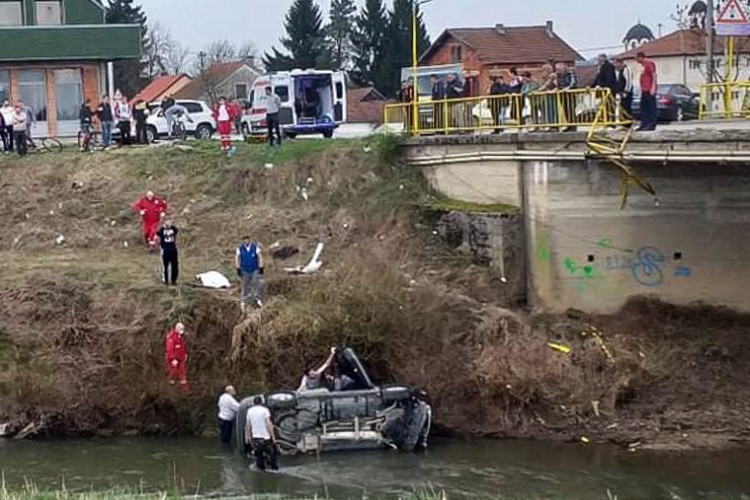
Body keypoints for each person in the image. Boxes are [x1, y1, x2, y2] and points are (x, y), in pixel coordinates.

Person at [245, 396, 278, 472]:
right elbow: (268, 423)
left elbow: (248, 425)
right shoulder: (265, 410)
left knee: (259, 457)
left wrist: (248, 437)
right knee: (271, 455)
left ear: (254, 403)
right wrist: (273, 437)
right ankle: (274, 469)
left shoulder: (249, 411)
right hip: (266, 437)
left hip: (256, 438)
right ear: (262, 402)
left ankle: (261, 470)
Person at [235, 236, 264, 313]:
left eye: (247, 239)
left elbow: (259, 257)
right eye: (244, 240)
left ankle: (257, 299)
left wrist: (261, 266)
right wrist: (238, 268)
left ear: (249, 240)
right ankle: (244, 300)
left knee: (255, 283)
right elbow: (237, 258)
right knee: (244, 284)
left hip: (254, 269)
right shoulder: (240, 248)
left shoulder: (255, 247)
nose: (246, 241)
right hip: (244, 269)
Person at [637, 51, 658, 131]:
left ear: (640, 57)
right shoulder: (642, 65)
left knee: (651, 107)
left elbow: (653, 74)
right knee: (643, 107)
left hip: (649, 89)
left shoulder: (648, 63)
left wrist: (653, 87)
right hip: (644, 89)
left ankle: (651, 124)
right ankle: (644, 123)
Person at [164, 322, 189, 391]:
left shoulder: (180, 337)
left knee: (182, 371)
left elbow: (182, 347)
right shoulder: (171, 337)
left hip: (180, 357)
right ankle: (170, 385)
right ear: (177, 329)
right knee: (173, 371)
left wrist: (185, 355)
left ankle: (185, 387)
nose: (182, 331)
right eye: (181, 329)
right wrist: (173, 358)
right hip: (173, 358)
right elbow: (170, 349)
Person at [594, 54, 617, 121]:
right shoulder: (601, 67)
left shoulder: (608, 67)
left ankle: (610, 122)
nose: (598, 60)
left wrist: (601, 85)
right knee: (604, 107)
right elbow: (598, 78)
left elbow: (609, 79)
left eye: (599, 59)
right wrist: (592, 86)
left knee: (609, 107)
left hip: (609, 90)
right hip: (603, 91)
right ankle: (606, 121)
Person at [555, 62, 578, 131]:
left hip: (570, 94)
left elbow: (573, 82)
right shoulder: (558, 75)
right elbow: (558, 84)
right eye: (557, 69)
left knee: (571, 109)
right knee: (565, 110)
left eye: (559, 69)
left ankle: (573, 125)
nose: (558, 71)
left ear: (563, 68)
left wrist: (568, 88)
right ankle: (569, 125)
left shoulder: (570, 74)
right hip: (562, 94)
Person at [157, 219, 179, 285]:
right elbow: (158, 233)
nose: (168, 225)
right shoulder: (162, 230)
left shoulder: (173, 229)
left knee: (175, 266)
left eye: (169, 224)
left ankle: (173, 280)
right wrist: (163, 227)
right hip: (165, 250)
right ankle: (165, 280)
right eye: (167, 224)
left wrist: (171, 225)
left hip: (173, 249)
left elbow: (176, 230)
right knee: (165, 266)